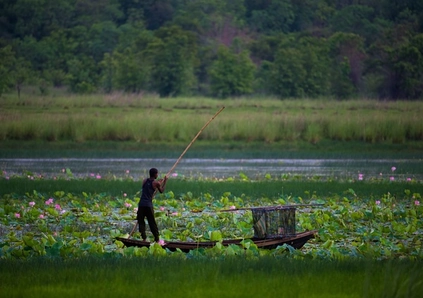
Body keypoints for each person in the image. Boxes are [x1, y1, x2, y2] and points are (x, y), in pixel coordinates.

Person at [137, 168, 167, 242]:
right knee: (152, 222)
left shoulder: (144, 181)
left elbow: (148, 189)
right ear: (155, 174)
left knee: (141, 222)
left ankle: (143, 238)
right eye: (157, 173)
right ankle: (157, 239)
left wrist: (159, 182)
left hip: (141, 205)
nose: (157, 175)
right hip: (148, 205)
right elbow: (161, 190)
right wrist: (165, 181)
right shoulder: (156, 183)